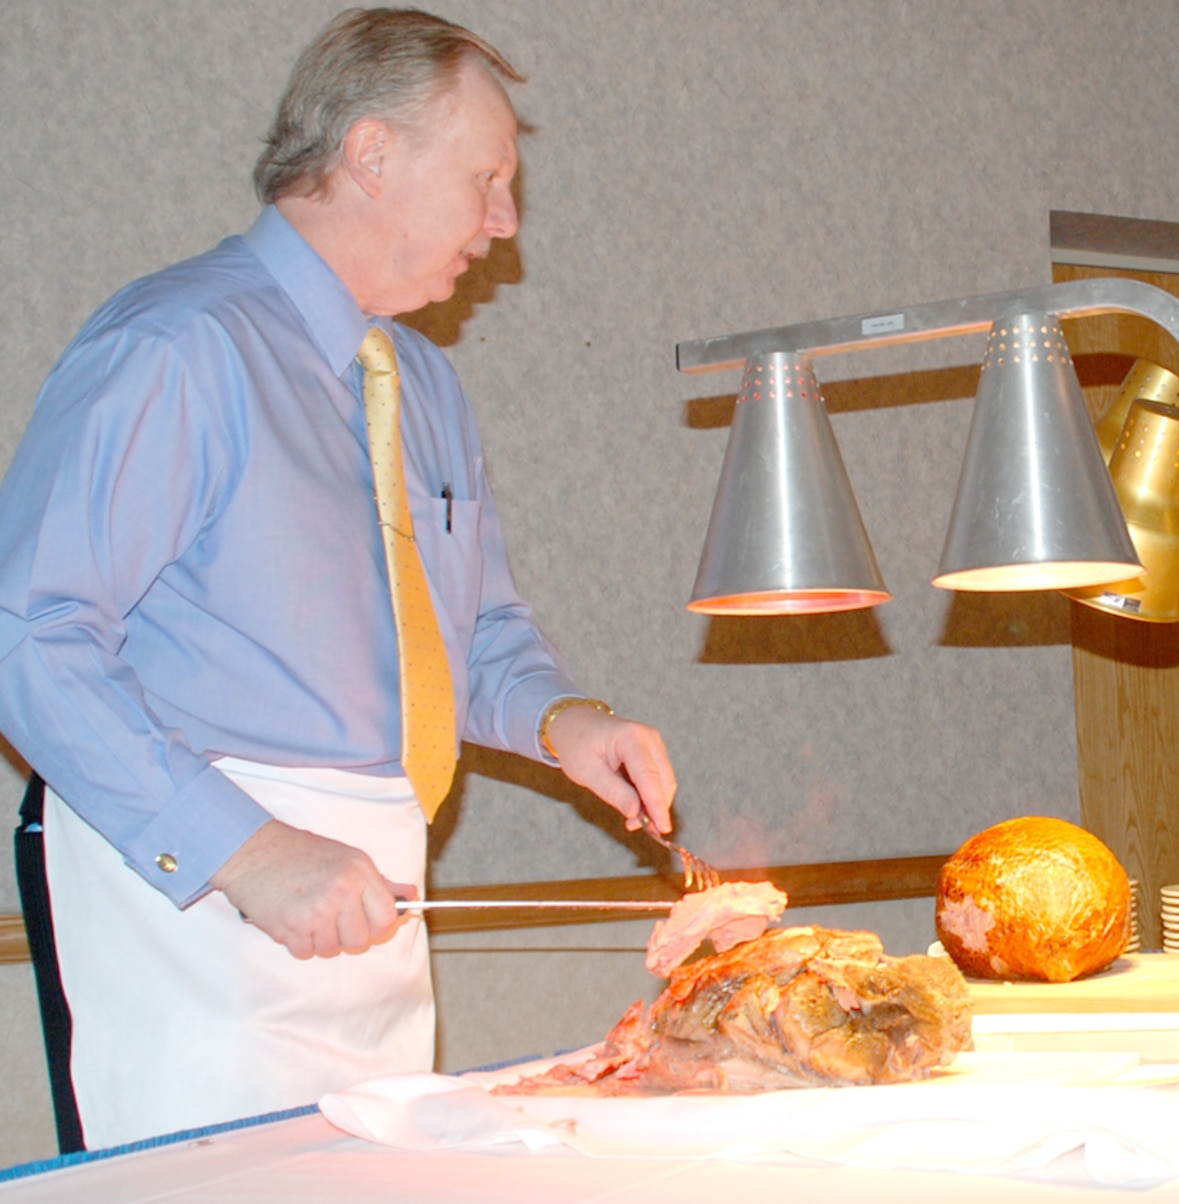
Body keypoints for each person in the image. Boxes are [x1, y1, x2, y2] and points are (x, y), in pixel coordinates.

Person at [0, 9, 678, 1151]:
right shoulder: (175, 348)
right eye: (487, 180)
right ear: (370, 153)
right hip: (207, 888)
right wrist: (249, 851)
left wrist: (567, 721)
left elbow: (479, 636)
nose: (504, 225)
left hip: (378, 886)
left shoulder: (424, 383)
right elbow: (27, 633)